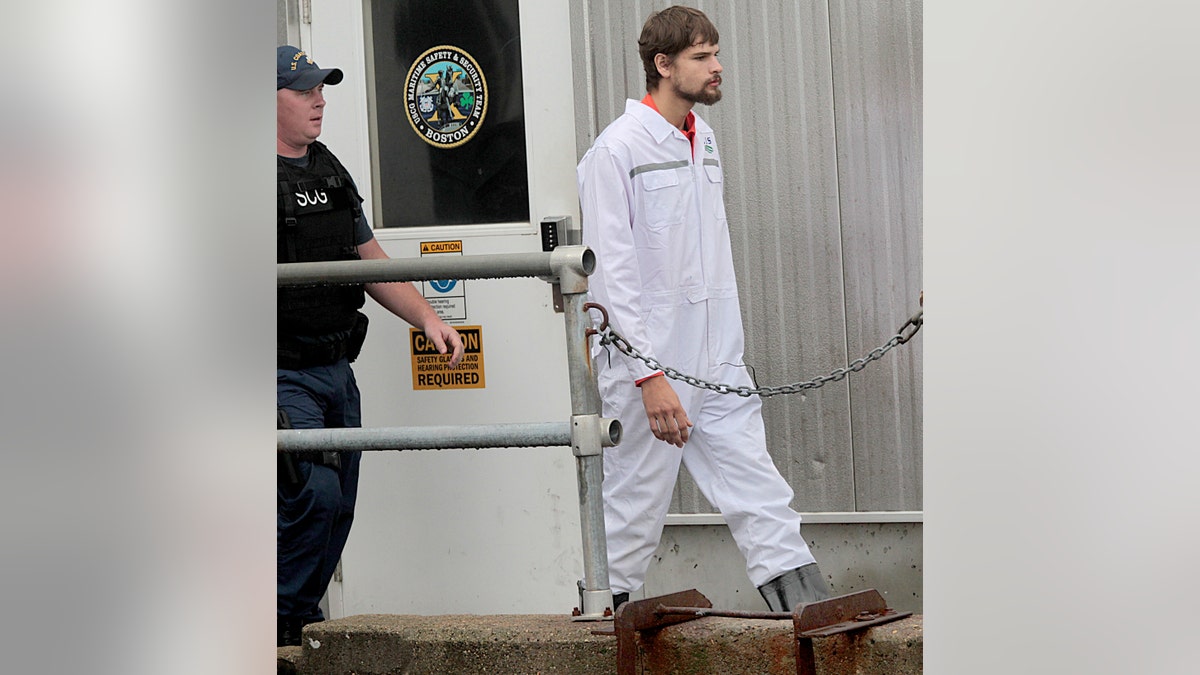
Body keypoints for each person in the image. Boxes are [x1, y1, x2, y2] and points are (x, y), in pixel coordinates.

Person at [576, 6, 832, 612]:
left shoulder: (703, 137)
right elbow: (609, 277)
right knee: (634, 507)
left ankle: (808, 611)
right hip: (654, 367)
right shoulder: (616, 151)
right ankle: (594, 632)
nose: (716, 67)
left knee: (756, 484)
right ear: (663, 66)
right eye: (701, 57)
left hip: (718, 357)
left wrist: (725, 353)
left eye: (715, 54)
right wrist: (648, 375)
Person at [276, 45, 464, 646]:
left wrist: (426, 318)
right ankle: (275, 626)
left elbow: (371, 262)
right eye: (305, 90)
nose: (319, 100)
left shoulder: (329, 170)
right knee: (313, 493)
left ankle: (296, 623)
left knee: (339, 507)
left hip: (336, 370)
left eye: (321, 89)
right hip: (279, 374)